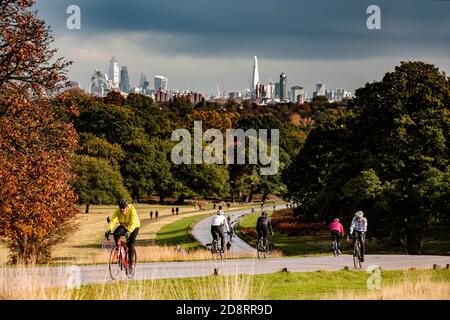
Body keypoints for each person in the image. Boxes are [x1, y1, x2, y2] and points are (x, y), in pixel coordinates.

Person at [105, 199, 141, 268]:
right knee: (116, 233)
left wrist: (129, 231)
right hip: (124, 226)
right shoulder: (118, 211)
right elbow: (113, 221)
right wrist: (109, 230)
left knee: (131, 244)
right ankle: (120, 250)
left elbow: (133, 223)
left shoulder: (132, 210)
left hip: (134, 227)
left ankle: (130, 264)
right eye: (120, 207)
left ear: (127, 206)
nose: (121, 209)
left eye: (123, 207)